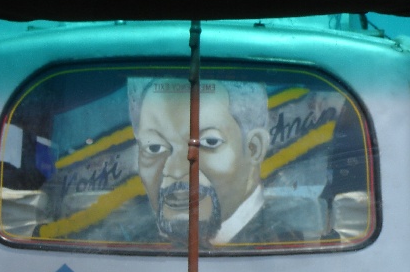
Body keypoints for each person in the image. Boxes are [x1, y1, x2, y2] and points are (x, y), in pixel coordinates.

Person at [128, 77, 302, 247]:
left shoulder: (288, 245)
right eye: (154, 147)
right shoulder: (127, 244)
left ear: (254, 148)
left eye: (209, 142)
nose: (176, 170)